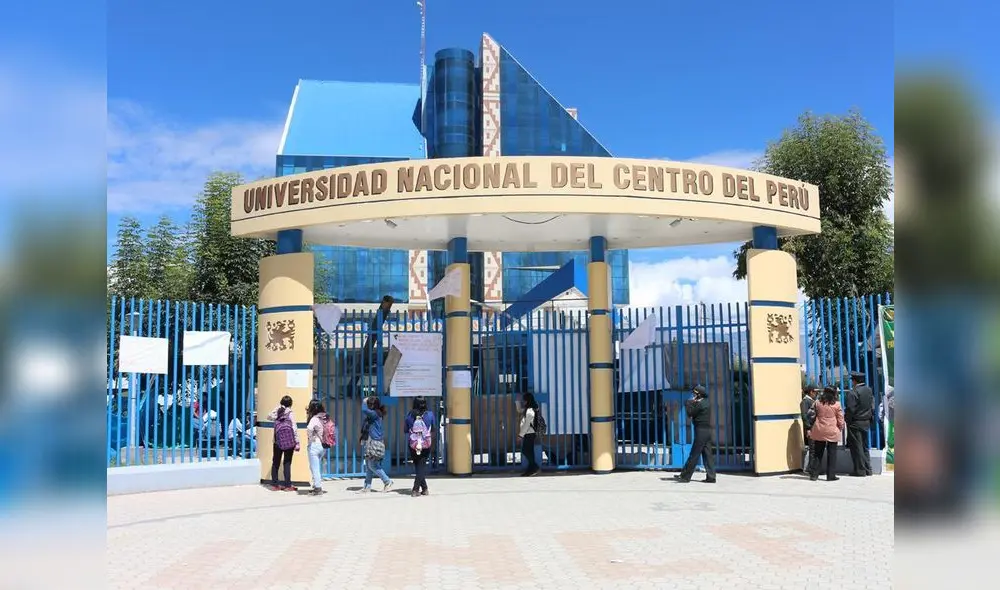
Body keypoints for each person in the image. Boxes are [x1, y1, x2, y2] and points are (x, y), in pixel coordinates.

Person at [674, 385, 716, 483]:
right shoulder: (706, 402)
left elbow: (690, 413)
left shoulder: (700, 404)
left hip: (701, 431)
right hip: (707, 431)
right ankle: (711, 477)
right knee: (707, 454)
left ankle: (685, 476)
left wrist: (688, 402)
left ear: (699, 395)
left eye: (695, 394)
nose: (693, 395)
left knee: (694, 454)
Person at [806, 386, 846, 481]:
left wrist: (811, 427)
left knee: (817, 453)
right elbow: (840, 419)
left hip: (819, 429)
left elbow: (810, 415)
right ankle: (831, 475)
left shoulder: (817, 402)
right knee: (832, 454)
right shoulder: (837, 404)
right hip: (832, 430)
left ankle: (814, 475)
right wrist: (840, 427)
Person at [360, 396, 393, 493]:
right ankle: (367, 486)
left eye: (370, 404)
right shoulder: (375, 414)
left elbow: (364, 410)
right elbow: (366, 428)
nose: (368, 406)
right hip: (370, 441)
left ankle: (387, 481)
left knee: (373, 465)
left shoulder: (375, 414)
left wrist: (364, 401)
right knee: (369, 465)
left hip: (375, 442)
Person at [404, 396, 436, 497]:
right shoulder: (430, 415)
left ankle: (425, 489)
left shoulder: (409, 415)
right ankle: (415, 489)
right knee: (421, 466)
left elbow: (405, 429)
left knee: (418, 466)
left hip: (413, 445)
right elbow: (433, 429)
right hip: (426, 444)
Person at [845, 371, 875, 476]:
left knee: (857, 447)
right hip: (866, 422)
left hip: (855, 422)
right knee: (864, 447)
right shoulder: (869, 390)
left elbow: (850, 409)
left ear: (854, 381)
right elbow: (872, 406)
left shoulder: (852, 392)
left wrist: (847, 420)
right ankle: (868, 469)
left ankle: (860, 470)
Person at [267, 395, 299, 491]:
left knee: (275, 462)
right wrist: (297, 441)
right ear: (291, 404)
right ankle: (287, 485)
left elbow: (268, 416)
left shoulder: (278, 412)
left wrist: (277, 408)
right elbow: (294, 428)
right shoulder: (290, 413)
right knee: (287, 462)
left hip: (277, 441)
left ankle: (275, 485)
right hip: (289, 441)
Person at [305, 399, 330, 495]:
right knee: (314, 466)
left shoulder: (314, 419)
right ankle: (316, 485)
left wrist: (311, 439)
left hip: (315, 445)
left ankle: (318, 488)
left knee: (314, 468)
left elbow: (309, 428)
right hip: (323, 446)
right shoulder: (325, 418)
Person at [517, 392, 541, 476]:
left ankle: (534, 466)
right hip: (529, 433)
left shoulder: (530, 411)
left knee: (525, 450)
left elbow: (527, 424)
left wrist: (520, 435)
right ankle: (531, 469)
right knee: (529, 451)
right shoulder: (530, 409)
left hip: (529, 433)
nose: (523, 402)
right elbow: (519, 410)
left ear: (527, 401)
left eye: (524, 400)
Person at [800, 383, 821, 471]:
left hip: (815, 428)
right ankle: (812, 469)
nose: (817, 394)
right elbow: (804, 416)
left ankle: (814, 468)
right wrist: (808, 428)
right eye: (816, 392)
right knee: (812, 449)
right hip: (811, 428)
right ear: (811, 392)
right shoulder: (805, 401)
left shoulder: (812, 401)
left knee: (816, 449)